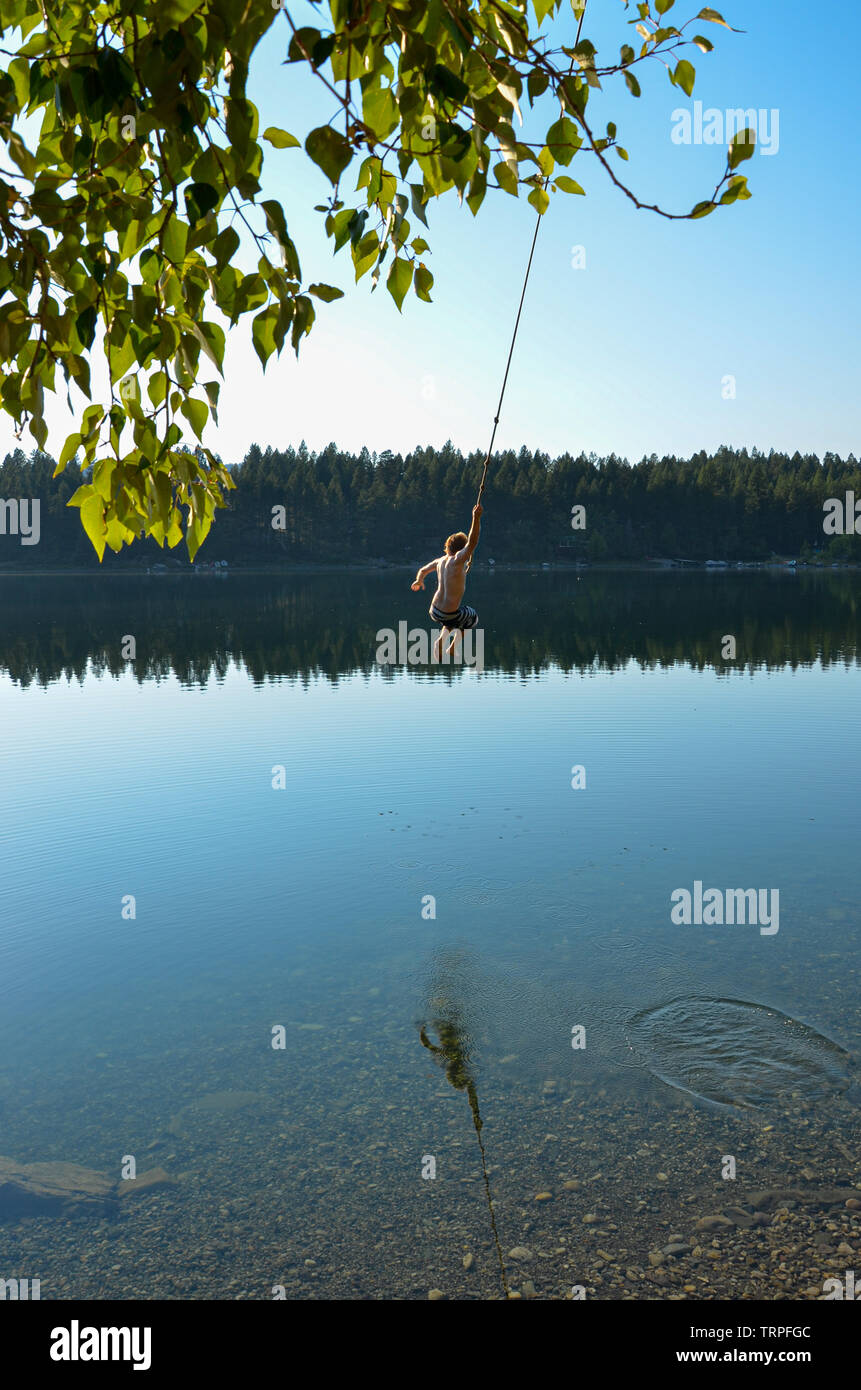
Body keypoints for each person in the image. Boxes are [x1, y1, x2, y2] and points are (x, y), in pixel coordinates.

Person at [411, 503, 482, 662]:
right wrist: (476, 518)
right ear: (461, 551)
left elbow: (422, 570)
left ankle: (439, 643)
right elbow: (472, 542)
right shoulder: (457, 561)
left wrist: (419, 580)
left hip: (434, 611)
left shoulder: (440, 561)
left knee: (453, 619)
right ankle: (452, 646)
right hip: (448, 613)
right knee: (472, 618)